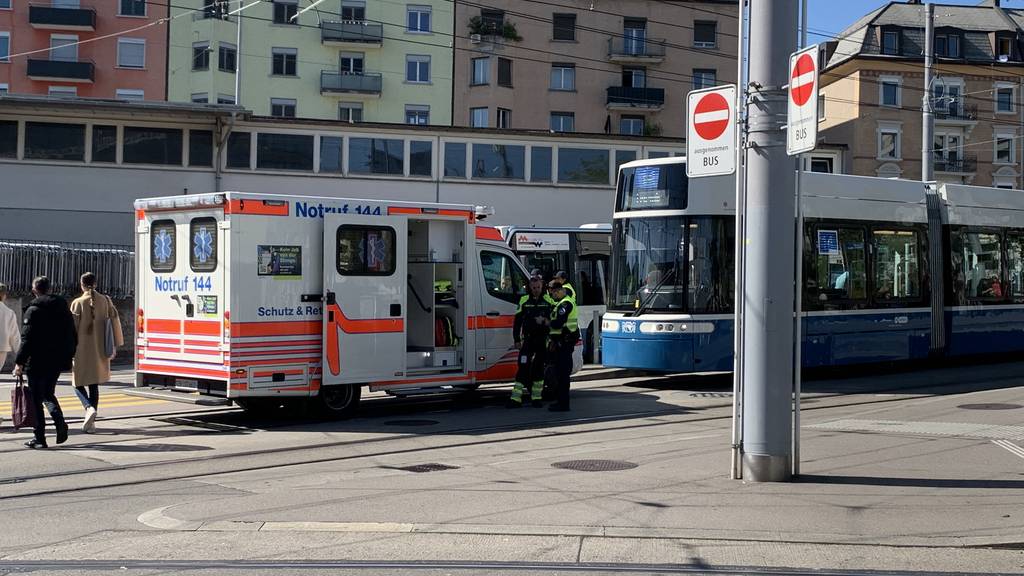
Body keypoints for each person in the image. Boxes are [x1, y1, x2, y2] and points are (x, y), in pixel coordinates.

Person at [14, 276, 76, 449]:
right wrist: (69, 357)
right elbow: (72, 335)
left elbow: (27, 340)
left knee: (36, 399)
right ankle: (60, 423)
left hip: (37, 361)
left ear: (35, 290)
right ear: (49, 288)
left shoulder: (33, 310)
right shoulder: (63, 308)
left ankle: (40, 437)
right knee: (48, 393)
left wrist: (19, 362)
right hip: (55, 361)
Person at [70, 272, 123, 433]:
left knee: (77, 383)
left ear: (81, 284)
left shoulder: (77, 303)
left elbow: (71, 330)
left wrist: (67, 349)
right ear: (96, 284)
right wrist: (116, 344)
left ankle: (88, 408)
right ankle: (91, 423)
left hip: (81, 350)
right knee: (94, 384)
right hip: (100, 350)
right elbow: (115, 322)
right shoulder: (106, 300)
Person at [508, 275, 552, 408]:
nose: (536, 290)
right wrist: (516, 339)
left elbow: (553, 322)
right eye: (534, 288)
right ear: (529, 288)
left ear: (542, 286)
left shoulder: (548, 301)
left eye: (538, 287)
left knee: (538, 369)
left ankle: (536, 398)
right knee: (523, 368)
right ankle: (516, 399)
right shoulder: (524, 300)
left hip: (542, 340)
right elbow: (517, 322)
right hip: (527, 340)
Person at [544, 280, 578, 412]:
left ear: (558, 291)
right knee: (558, 374)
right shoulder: (560, 303)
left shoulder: (565, 303)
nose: (552, 297)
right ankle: (560, 401)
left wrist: (547, 322)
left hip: (565, 343)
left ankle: (563, 404)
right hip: (559, 343)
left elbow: (558, 323)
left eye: (553, 294)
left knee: (563, 375)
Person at [0, 283, 19, 373]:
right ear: (4, 296)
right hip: (2, 348)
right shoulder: (9, 313)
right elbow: (15, 336)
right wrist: (20, 355)